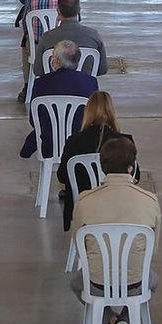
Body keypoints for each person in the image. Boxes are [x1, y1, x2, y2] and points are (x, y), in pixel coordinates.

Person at [71, 137, 158, 324]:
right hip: (135, 283)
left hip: (97, 284)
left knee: (76, 283)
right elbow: (152, 248)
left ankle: (110, 322)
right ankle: (124, 321)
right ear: (131, 168)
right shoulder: (149, 201)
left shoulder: (85, 201)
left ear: (103, 168)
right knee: (152, 281)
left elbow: (79, 245)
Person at [56, 91, 131, 231]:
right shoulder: (125, 142)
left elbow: (62, 176)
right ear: (112, 111)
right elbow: (135, 176)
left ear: (88, 112)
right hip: (118, 207)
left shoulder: (73, 141)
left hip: (83, 208)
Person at [19, 41, 99, 158]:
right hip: (82, 144)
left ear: (56, 61)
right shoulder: (90, 82)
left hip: (49, 144)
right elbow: (95, 116)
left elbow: (34, 120)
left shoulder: (41, 83)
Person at [34, 0, 108, 80]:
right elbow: (102, 69)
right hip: (84, 86)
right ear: (79, 10)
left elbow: (38, 70)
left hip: (54, 86)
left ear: (58, 10)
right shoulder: (93, 35)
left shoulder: (47, 37)